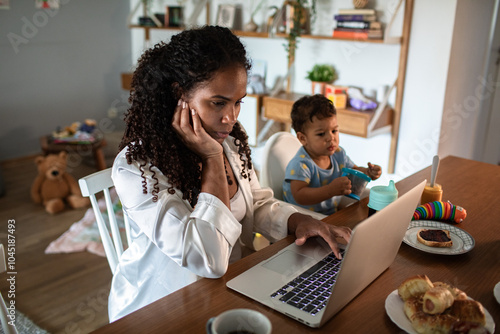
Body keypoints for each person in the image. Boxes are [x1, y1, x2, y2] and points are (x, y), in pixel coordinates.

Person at [109, 26, 351, 322]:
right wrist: (211, 158)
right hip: (162, 307)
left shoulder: (230, 142)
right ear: (179, 95)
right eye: (218, 102)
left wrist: (300, 220)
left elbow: (256, 203)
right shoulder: (138, 167)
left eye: (238, 102)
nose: (231, 118)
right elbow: (206, 259)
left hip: (231, 286)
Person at [283, 94, 382, 216]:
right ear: (303, 138)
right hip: (301, 217)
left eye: (334, 131)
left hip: (329, 214)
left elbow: (354, 170)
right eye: (321, 134)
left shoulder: (338, 153)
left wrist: (368, 172)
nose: (331, 138)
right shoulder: (301, 164)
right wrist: (329, 190)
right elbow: (299, 196)